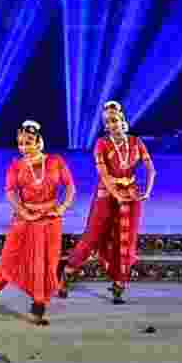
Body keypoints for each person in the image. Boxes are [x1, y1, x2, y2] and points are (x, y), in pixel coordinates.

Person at [0, 120, 76, 326]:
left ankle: (39, 309)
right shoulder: (16, 166)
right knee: (9, 262)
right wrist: (24, 213)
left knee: (46, 264)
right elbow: (11, 193)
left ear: (39, 142)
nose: (23, 147)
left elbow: (70, 186)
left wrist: (62, 208)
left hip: (50, 221)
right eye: (20, 143)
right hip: (25, 221)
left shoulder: (56, 161)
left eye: (28, 142)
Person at [60, 101, 156, 304]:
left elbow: (151, 169)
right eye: (109, 122)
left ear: (124, 122)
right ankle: (67, 275)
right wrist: (116, 194)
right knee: (93, 235)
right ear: (105, 126)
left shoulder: (136, 142)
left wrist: (146, 191)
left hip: (130, 194)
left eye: (116, 120)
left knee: (126, 239)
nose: (113, 124)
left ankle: (119, 284)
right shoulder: (102, 144)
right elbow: (103, 175)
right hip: (106, 193)